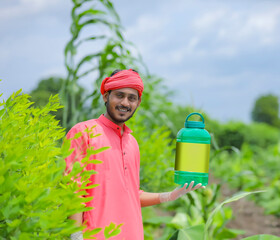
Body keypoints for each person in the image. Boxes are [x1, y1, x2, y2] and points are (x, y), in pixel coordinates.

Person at [65, 69, 204, 240]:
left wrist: (170, 195)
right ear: (105, 96)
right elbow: (73, 190)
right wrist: (76, 235)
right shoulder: (83, 132)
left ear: (138, 103)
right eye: (119, 95)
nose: (125, 102)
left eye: (132, 98)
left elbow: (132, 194)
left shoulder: (132, 144)